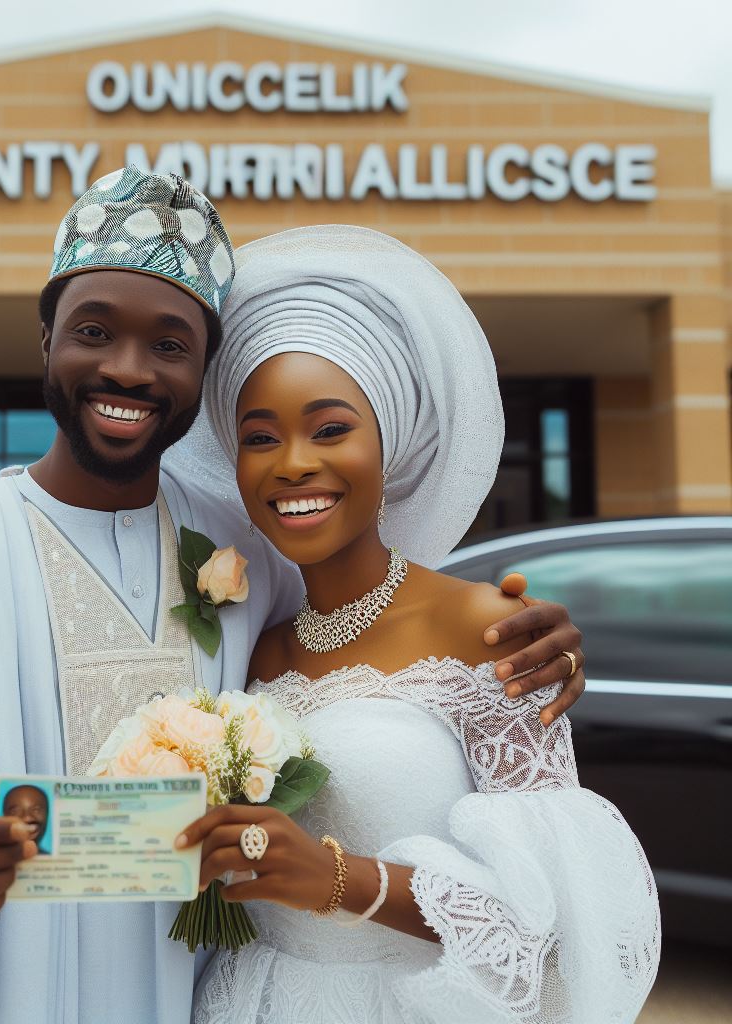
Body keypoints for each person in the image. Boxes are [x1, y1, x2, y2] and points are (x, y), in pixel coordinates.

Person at [0, 172, 586, 1024]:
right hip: (2, 977)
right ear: (45, 341)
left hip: (207, 987)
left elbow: (381, 636)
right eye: (93, 330)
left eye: (169, 344)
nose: (128, 370)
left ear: (202, 375)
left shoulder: (250, 548)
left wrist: (525, 633)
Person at [173, 225, 660, 1024]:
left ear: (387, 443)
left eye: (330, 429)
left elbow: (546, 934)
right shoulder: (257, 645)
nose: (293, 461)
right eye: (260, 438)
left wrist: (336, 879)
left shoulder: (493, 631)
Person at [1, 784, 50, 852]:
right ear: (3, 817)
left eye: (36, 810)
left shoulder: (57, 861)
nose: (27, 818)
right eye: (16, 811)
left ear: (47, 815)